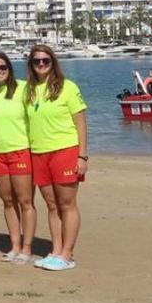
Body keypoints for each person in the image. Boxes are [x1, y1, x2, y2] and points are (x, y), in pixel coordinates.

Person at [25, 45, 88, 272]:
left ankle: (67, 254)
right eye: (36, 61)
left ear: (53, 62)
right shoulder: (29, 90)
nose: (41, 64)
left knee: (67, 203)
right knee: (51, 205)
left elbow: (80, 121)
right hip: (39, 153)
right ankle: (56, 250)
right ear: (31, 65)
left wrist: (82, 156)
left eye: (46, 60)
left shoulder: (68, 87)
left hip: (65, 150)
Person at [0, 51, 36, 264]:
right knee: (7, 201)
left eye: (3, 67)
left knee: (25, 201)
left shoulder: (24, 88)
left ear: (9, 69)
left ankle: (26, 248)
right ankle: (14, 245)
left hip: (21, 151)